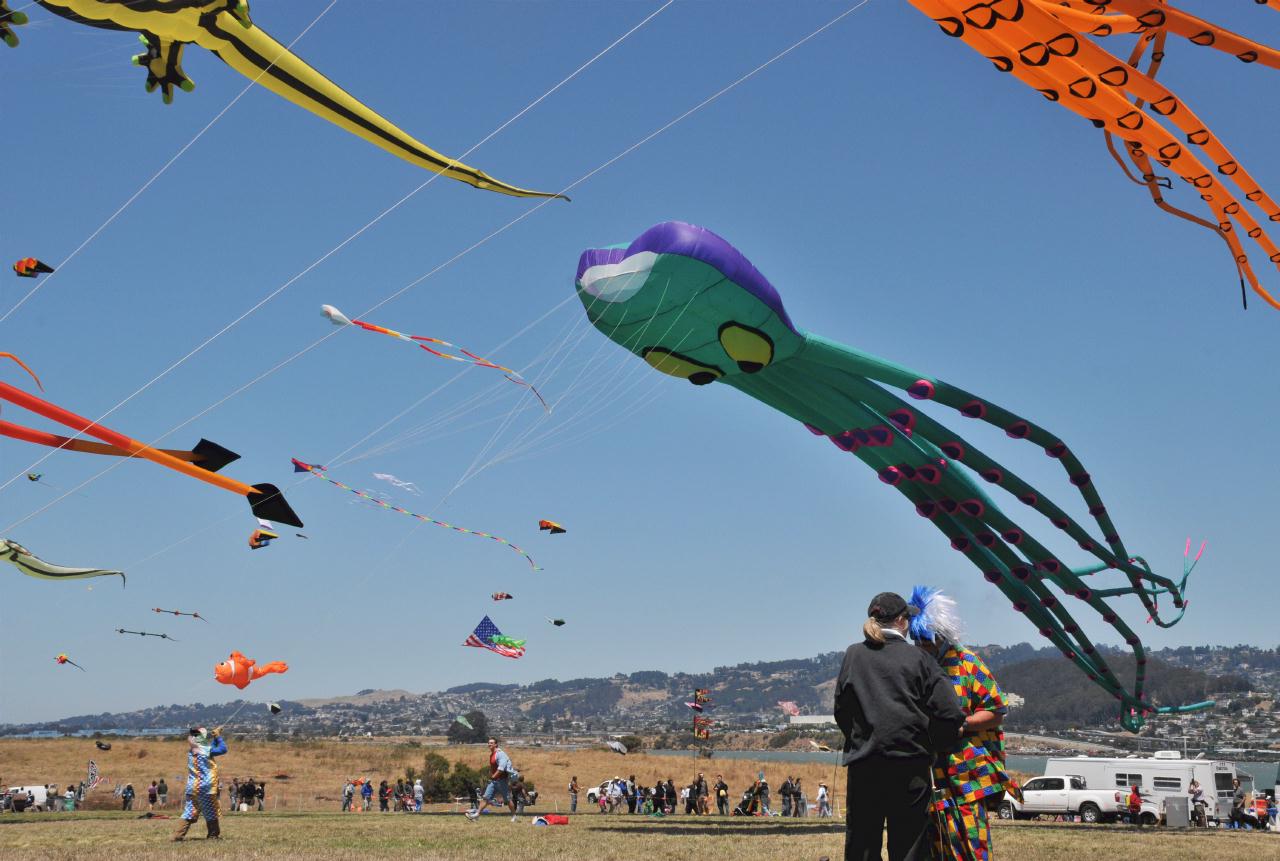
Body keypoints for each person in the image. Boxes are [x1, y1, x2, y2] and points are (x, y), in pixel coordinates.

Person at [835, 591, 966, 861]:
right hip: (910, 765)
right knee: (909, 845)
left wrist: (860, 737)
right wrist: (934, 744)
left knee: (862, 843)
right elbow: (951, 712)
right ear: (903, 622)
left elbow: (841, 710)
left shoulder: (853, 655)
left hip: (865, 764)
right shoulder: (919, 659)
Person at [910, 587, 1019, 861]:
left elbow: (996, 710)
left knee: (972, 842)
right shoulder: (915, 668)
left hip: (968, 772)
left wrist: (962, 725)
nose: (921, 647)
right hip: (932, 772)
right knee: (937, 843)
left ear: (940, 636)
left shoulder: (969, 664)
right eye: (917, 641)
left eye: (926, 641)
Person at [173, 726, 227, 841]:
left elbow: (209, 749)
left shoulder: (191, 751)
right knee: (210, 811)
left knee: (189, 812)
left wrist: (215, 738)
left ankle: (177, 836)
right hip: (205, 788)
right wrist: (217, 736)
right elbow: (223, 749)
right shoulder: (205, 750)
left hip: (192, 787)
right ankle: (213, 836)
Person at [466, 738, 518, 821]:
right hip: (494, 782)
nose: (489, 744)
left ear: (496, 744)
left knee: (507, 800)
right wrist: (492, 776)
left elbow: (501, 768)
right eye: (488, 743)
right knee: (486, 798)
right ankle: (477, 814)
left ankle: (514, 816)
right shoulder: (492, 754)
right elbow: (493, 767)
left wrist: (493, 776)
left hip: (502, 781)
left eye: (491, 743)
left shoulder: (500, 754)